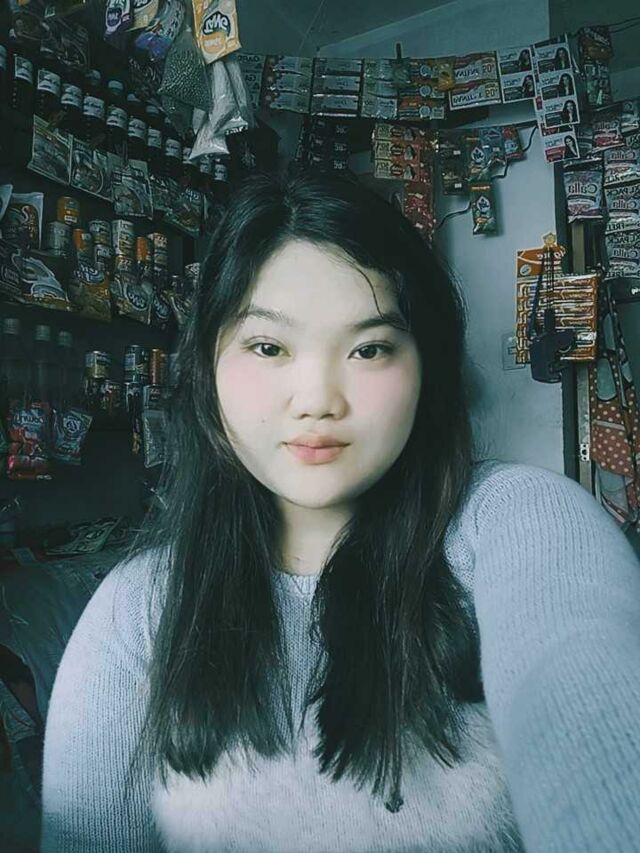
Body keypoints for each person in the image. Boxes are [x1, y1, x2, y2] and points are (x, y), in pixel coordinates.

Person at [40, 168, 640, 852]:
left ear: (426, 366)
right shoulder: (140, 606)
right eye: (269, 347)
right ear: (207, 365)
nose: (318, 399)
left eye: (370, 348)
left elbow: (594, 726)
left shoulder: (523, 524)